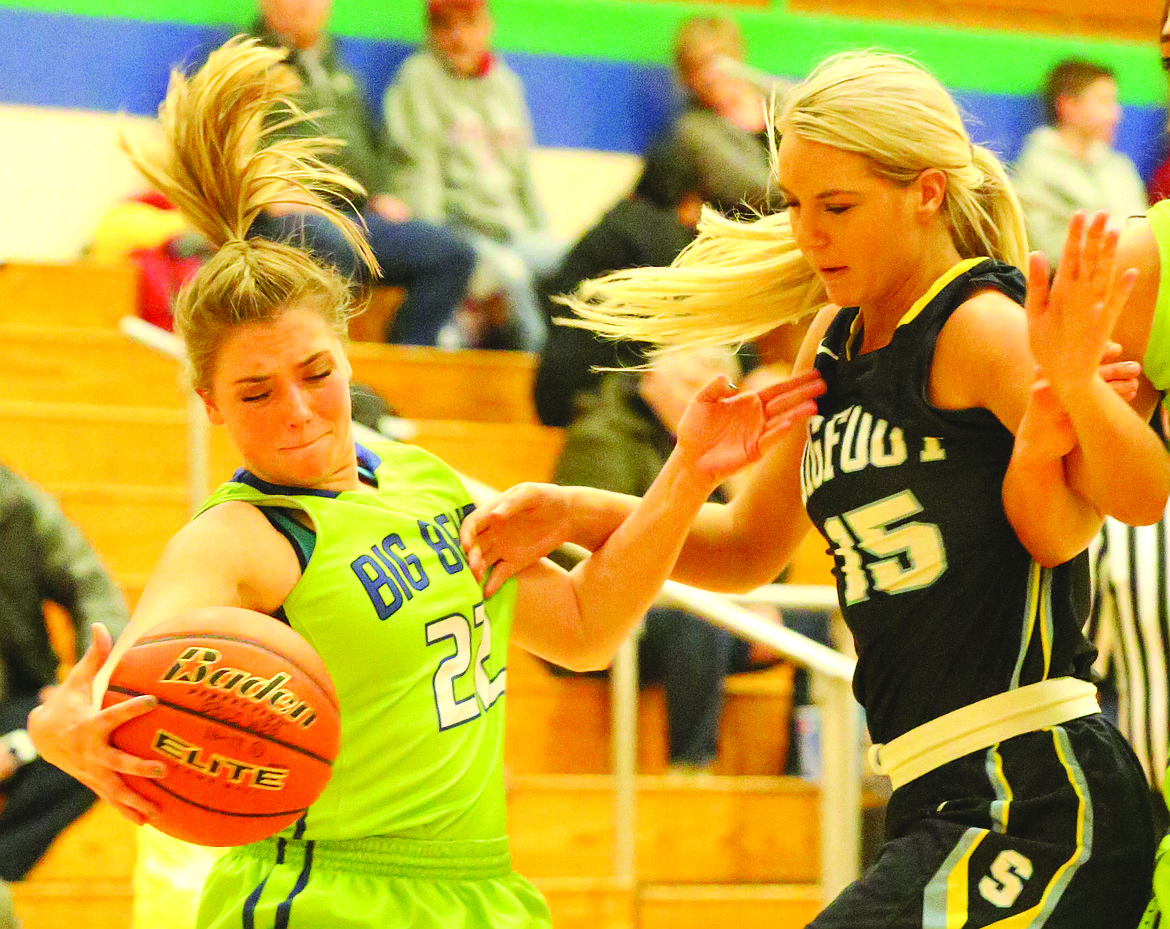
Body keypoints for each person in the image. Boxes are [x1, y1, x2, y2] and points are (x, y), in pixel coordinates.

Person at [25, 37, 797, 929]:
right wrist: (58, 729)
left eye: (315, 373)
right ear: (209, 403)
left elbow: (585, 627)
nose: (297, 410)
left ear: (350, 357)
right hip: (326, 895)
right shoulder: (237, 539)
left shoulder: (423, 479)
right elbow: (125, 694)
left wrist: (690, 469)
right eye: (254, 391)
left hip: (479, 890)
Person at [460, 51, 1170, 928]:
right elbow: (745, 548)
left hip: (1035, 788)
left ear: (928, 193)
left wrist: (1081, 389)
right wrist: (577, 510)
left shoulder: (982, 326)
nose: (807, 233)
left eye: (836, 207)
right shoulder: (833, 342)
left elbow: (1133, 495)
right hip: (930, 793)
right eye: (794, 204)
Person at [551, 347, 785, 770]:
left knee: (816, 626)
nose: (704, 373)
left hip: (706, 618)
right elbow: (597, 551)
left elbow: (762, 558)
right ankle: (691, 772)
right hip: (616, 618)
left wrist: (740, 484)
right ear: (649, 375)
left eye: (714, 380)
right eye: (688, 377)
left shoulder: (720, 447)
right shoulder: (602, 435)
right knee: (699, 620)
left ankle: (805, 770)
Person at [246, 0, 477, 346]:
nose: (309, 4)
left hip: (352, 213)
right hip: (281, 216)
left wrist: (383, 192)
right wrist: (264, 189)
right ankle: (321, 361)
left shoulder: (339, 70)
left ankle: (405, 362)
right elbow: (221, 150)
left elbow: (373, 145)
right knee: (333, 246)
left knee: (452, 253)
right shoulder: (242, 65)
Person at [383, 0, 566, 352]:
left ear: (487, 26)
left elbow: (523, 178)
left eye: (468, 23)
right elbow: (419, 172)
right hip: (460, 233)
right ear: (430, 32)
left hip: (513, 232)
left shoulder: (506, 84)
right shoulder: (418, 78)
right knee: (510, 274)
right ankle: (540, 376)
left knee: (571, 260)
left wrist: (541, 232)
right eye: (444, 26)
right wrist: (436, 246)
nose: (457, 37)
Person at [0, 463, 131, 882]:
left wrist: (86, 687)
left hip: (14, 710)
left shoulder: (18, 504)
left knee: (94, 738)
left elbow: (93, 591)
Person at [533, 136, 702, 427]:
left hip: (550, 387)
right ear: (689, 198)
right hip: (598, 393)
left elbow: (551, 290)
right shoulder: (665, 237)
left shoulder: (617, 220)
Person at [1011, 58, 1148, 269]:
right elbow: (1047, 248)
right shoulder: (1038, 168)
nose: (1115, 114)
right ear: (1068, 106)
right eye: (1104, 102)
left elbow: (1144, 231)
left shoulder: (1120, 167)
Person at [670, 15, 780, 218]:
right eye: (696, 67)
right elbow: (755, 191)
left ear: (737, 56)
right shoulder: (696, 130)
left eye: (716, 60)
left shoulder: (776, 100)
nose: (708, 75)